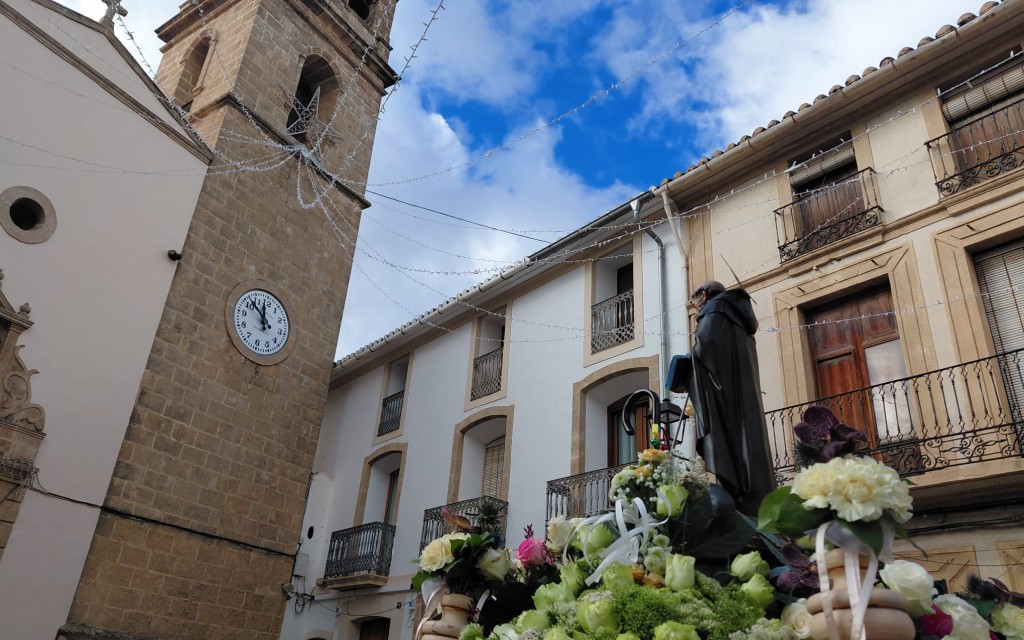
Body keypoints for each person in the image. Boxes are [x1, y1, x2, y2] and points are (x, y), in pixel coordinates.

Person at [679, 281, 775, 517]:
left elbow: (705, 346)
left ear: (704, 295)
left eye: (696, 305)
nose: (698, 310)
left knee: (731, 446)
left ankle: (738, 496)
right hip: (742, 394)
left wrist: (686, 364)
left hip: (725, 399)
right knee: (748, 447)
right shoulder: (739, 317)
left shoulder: (715, 310)